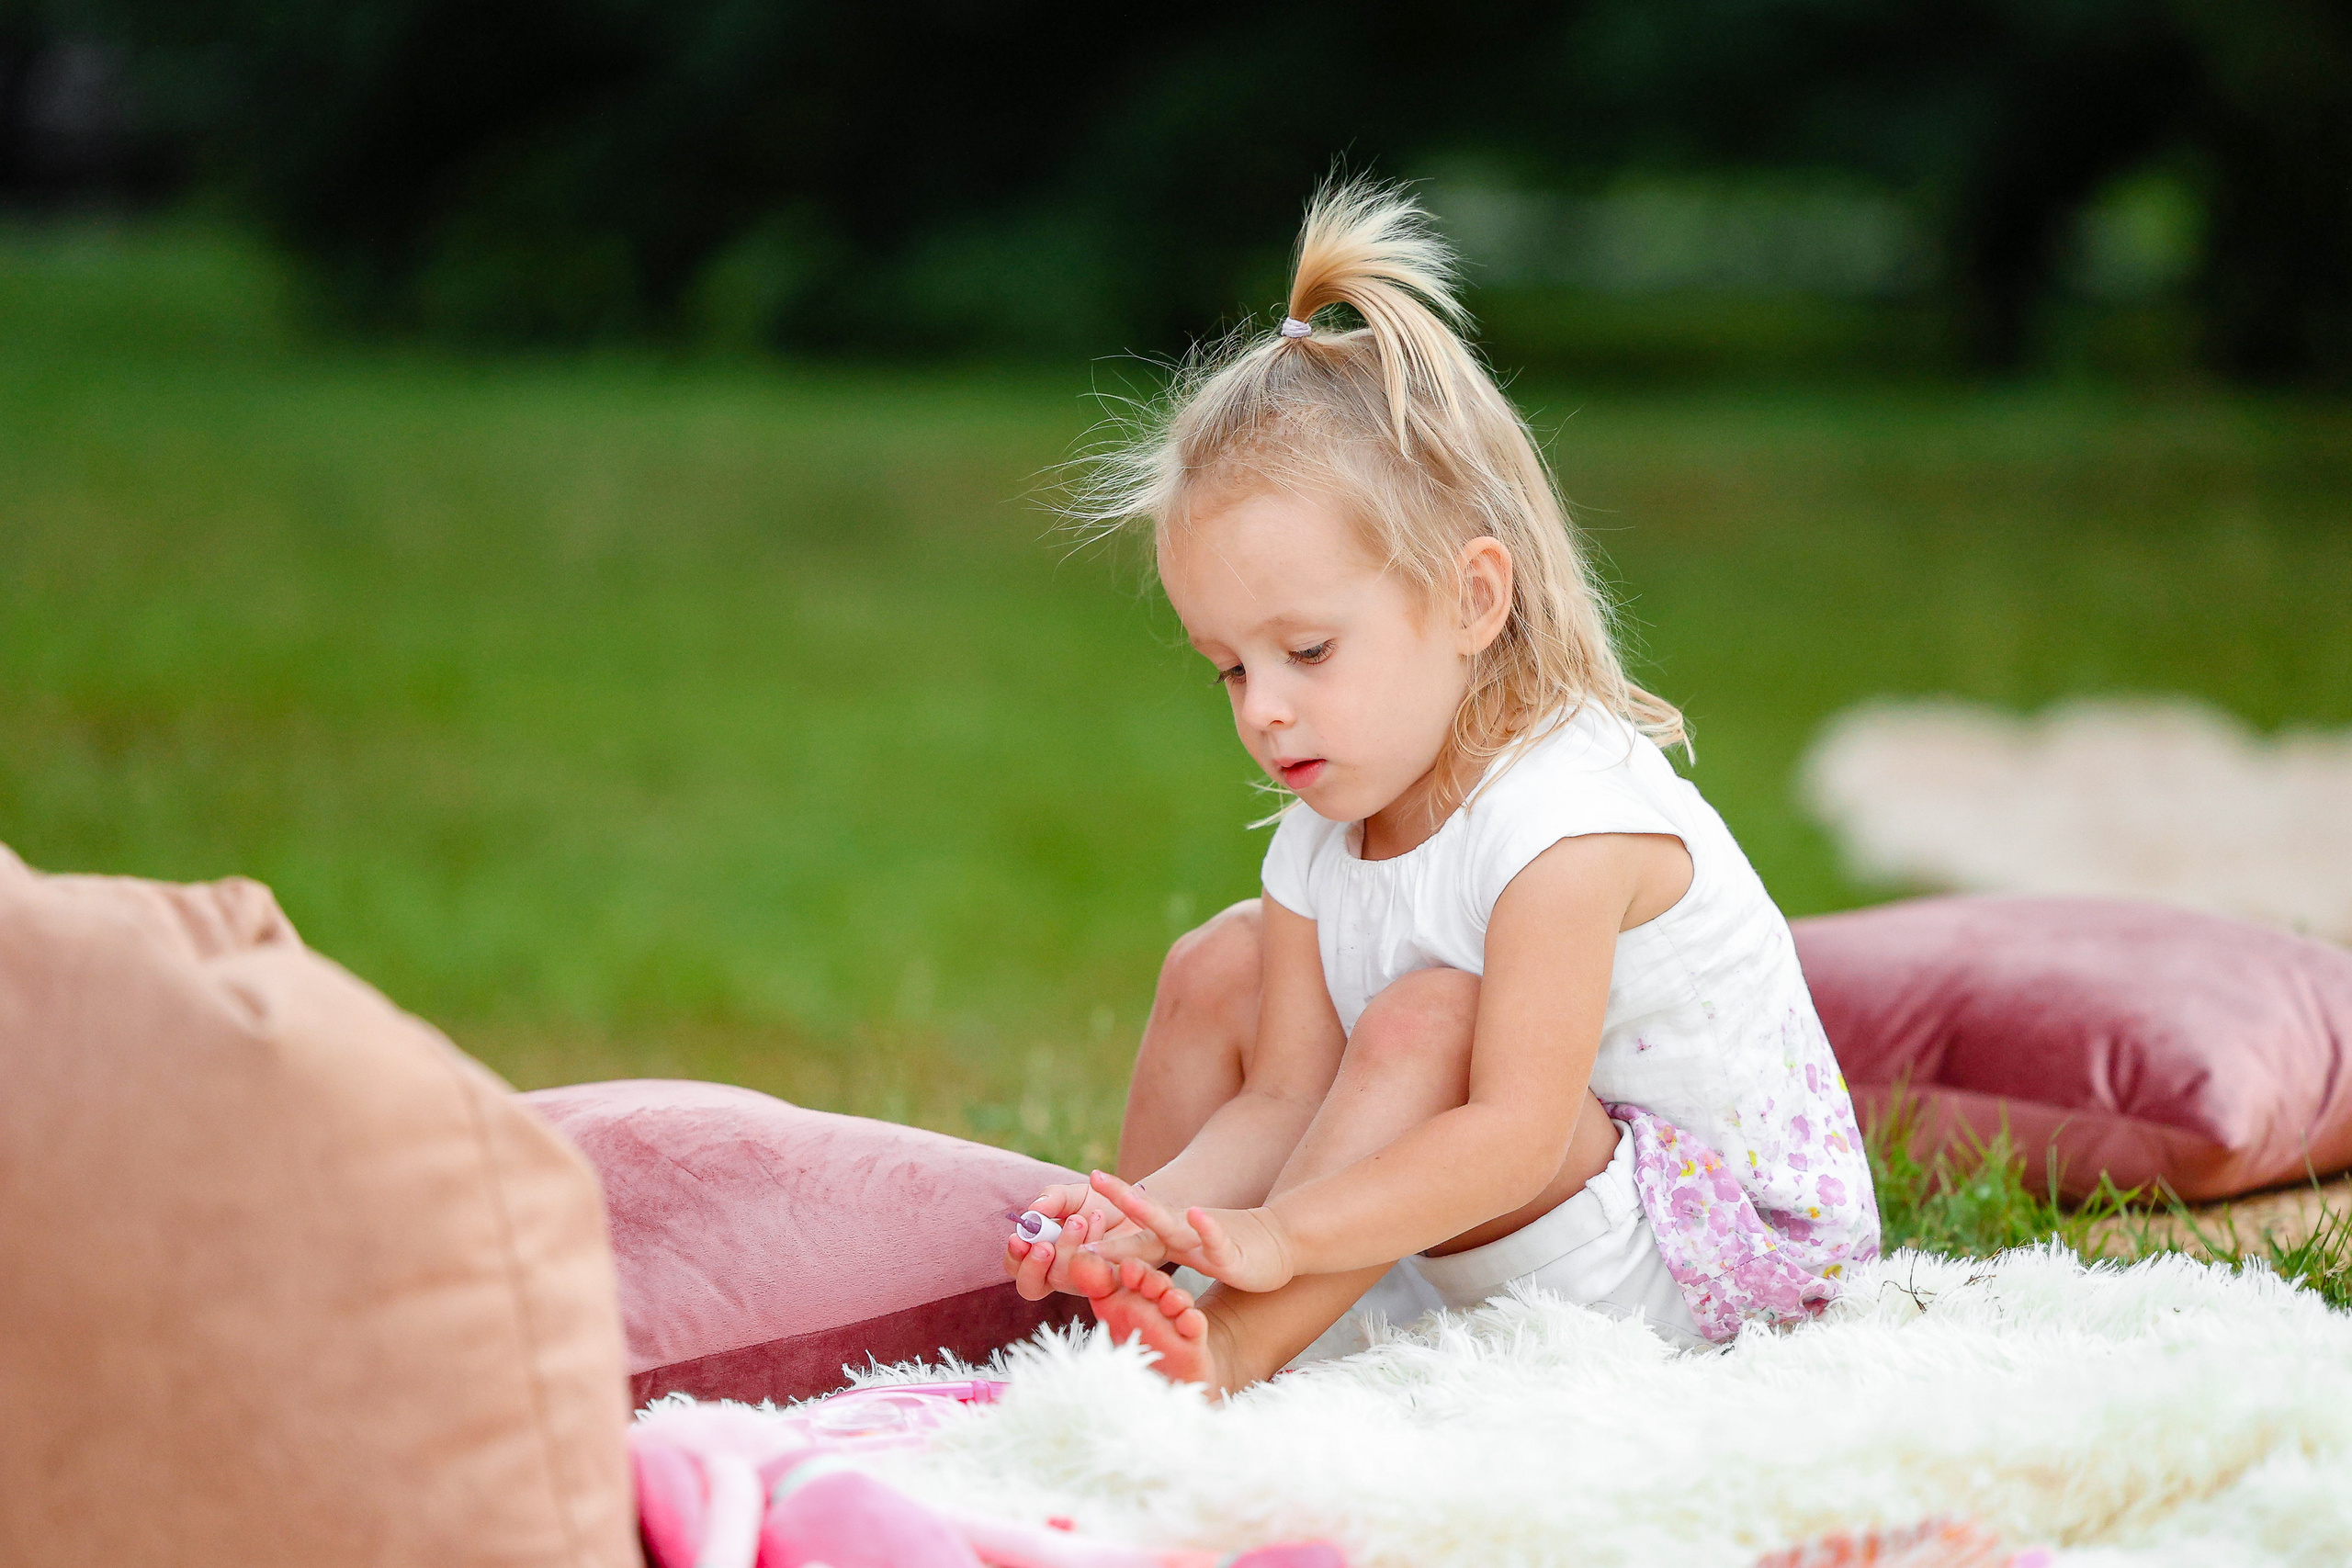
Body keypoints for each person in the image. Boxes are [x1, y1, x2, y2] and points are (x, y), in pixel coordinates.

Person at [1002, 177, 1878, 1395]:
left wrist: (1284, 1237)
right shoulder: (1327, 818)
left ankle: (1233, 1351)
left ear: (1473, 600)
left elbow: (1514, 1134)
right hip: (1520, 1212)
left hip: (1708, 1265)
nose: (1264, 709)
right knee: (1224, 963)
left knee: (1428, 1019)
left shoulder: (1566, 824)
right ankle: (1150, 1302)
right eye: (1228, 670)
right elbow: (1289, 1092)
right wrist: (1150, 1211)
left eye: (1306, 653)